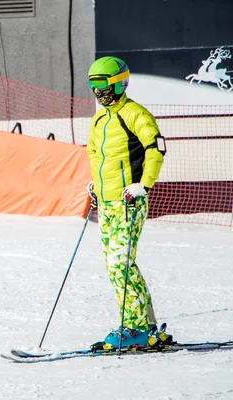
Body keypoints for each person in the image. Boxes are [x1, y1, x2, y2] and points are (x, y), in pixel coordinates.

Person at [85, 56, 169, 349]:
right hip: (107, 203)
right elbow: (95, 154)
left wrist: (143, 185)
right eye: (93, 84)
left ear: (120, 84)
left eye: (103, 84)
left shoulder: (135, 114)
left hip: (129, 200)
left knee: (122, 264)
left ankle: (132, 327)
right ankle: (147, 327)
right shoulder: (99, 119)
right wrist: (96, 184)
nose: (98, 91)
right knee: (116, 266)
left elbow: (156, 148)